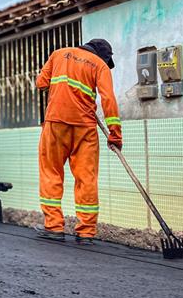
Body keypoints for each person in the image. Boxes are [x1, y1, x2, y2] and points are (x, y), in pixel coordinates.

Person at [34, 39, 122, 245]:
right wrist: (115, 134)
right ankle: (86, 232)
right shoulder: (100, 66)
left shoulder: (58, 54)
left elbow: (41, 83)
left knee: (51, 173)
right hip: (85, 128)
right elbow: (108, 99)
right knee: (86, 179)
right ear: (104, 57)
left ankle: (54, 227)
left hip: (56, 123)